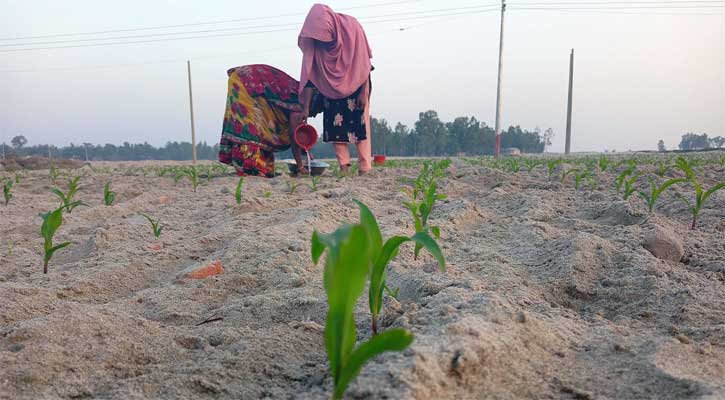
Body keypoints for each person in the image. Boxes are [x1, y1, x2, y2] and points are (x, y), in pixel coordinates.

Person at [298, 4, 373, 175]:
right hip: (329, 89)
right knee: (336, 127)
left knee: (360, 125)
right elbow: (310, 77)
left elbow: (364, 63)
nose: (323, 42)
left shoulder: (352, 28)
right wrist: (306, 108)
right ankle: (344, 167)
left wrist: (363, 92)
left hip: (358, 81)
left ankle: (365, 167)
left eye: (326, 38)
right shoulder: (315, 45)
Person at [218, 64, 310, 177]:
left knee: (265, 127)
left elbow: (297, 133)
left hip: (250, 82)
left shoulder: (301, 93)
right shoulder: (300, 102)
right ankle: (249, 168)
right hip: (244, 81)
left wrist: (305, 151)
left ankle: (261, 167)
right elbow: (293, 134)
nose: (314, 115)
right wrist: (300, 165)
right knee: (251, 124)